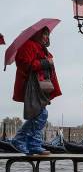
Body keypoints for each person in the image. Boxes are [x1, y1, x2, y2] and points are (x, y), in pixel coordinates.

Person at [11, 27, 61, 155]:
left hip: (42, 85)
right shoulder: (28, 45)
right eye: (44, 34)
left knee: (40, 114)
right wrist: (44, 63)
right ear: (37, 34)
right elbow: (24, 63)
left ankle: (24, 141)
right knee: (40, 114)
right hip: (33, 85)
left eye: (47, 34)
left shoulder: (42, 49)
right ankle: (29, 143)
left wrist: (48, 63)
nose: (46, 37)